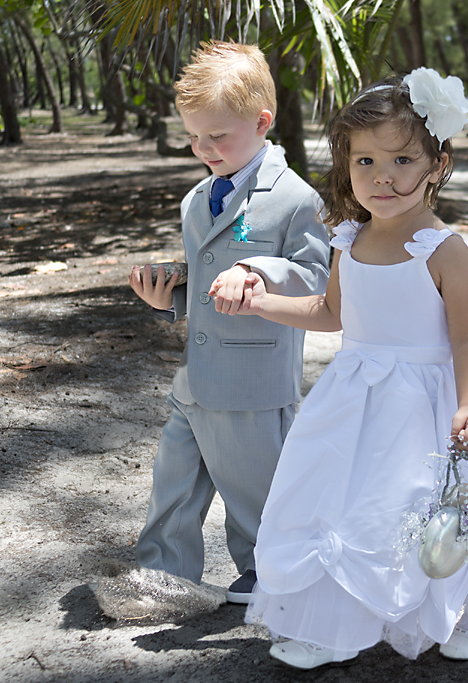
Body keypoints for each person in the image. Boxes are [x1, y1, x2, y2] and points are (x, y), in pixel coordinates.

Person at [210, 68, 468, 668]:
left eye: (403, 160)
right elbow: (330, 312)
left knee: (432, 506)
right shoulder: (347, 240)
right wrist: (261, 301)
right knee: (345, 504)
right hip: (355, 397)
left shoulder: (446, 252)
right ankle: (334, 620)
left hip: (430, 401)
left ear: (438, 163)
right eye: (364, 162)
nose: (382, 177)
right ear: (346, 166)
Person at [128, 41, 331, 604]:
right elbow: (205, 276)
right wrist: (168, 295)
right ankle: (163, 574)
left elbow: (315, 278)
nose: (204, 148)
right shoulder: (198, 198)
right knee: (173, 483)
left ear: (262, 121)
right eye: (194, 136)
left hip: (252, 384)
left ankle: (273, 572)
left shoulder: (295, 200)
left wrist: (258, 270)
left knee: (256, 490)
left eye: (218, 136)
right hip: (195, 377)